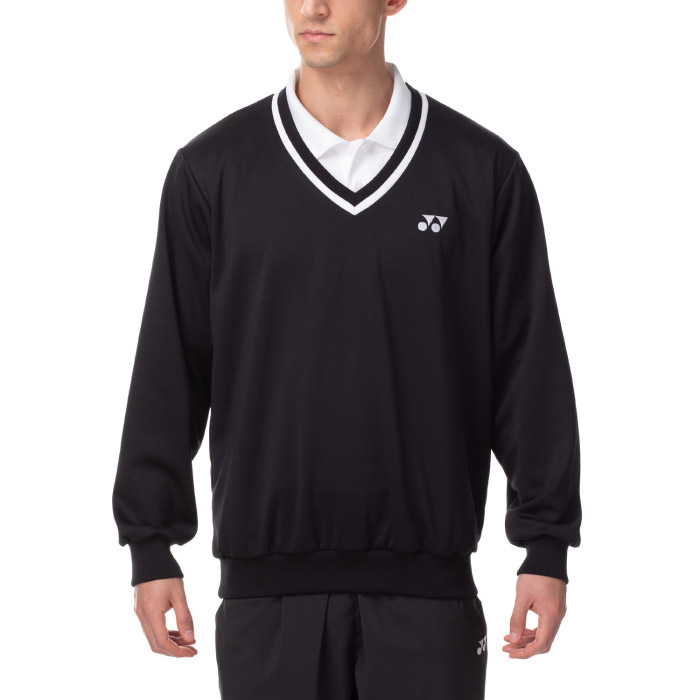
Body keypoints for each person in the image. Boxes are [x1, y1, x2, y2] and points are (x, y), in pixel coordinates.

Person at [112, 1, 582, 698]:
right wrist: (150, 545)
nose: (312, 6)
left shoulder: (482, 170)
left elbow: (527, 366)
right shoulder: (211, 170)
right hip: (266, 603)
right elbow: (169, 367)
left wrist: (546, 544)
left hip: (430, 600)